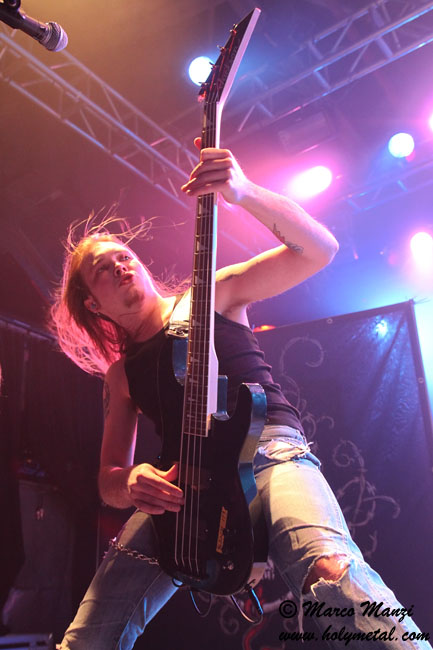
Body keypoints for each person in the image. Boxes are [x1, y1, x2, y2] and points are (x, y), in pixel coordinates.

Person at [52, 141, 431, 649]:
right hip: (184, 487)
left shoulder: (213, 293)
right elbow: (108, 480)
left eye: (125, 256)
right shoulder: (120, 376)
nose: (120, 266)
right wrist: (132, 481)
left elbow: (319, 250)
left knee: (332, 574)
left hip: (271, 453)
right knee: (87, 637)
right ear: (93, 305)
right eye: (103, 268)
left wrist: (244, 191)